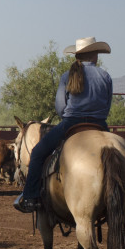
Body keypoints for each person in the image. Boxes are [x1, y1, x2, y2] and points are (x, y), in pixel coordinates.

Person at [13, 36, 113, 214]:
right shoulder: (105, 76)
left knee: (37, 154)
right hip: (100, 125)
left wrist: (71, 115)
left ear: (78, 56)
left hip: (71, 124)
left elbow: (60, 107)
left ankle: (30, 197)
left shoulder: (67, 76)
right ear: (95, 55)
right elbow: (107, 105)